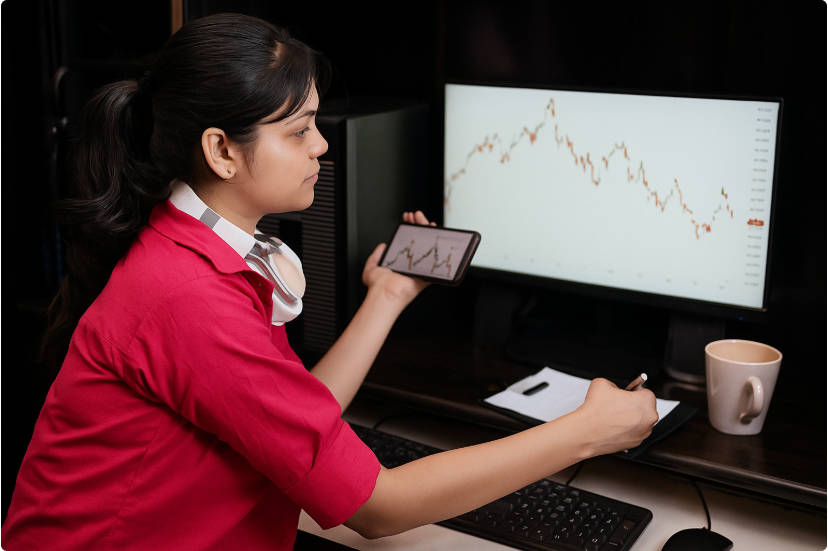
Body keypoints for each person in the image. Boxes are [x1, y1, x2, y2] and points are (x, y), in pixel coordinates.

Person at [1, 13, 658, 550]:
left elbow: (293, 416)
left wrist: (388, 295)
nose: (321, 146)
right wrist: (586, 431)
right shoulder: (189, 298)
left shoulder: (197, 251)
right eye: (299, 130)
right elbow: (379, 506)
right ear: (221, 151)